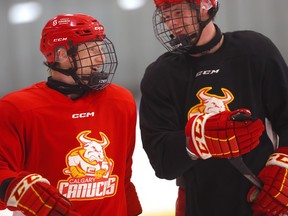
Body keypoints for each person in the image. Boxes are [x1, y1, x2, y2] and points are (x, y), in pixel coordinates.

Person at [139, 0, 288, 215]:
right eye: (166, 17)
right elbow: (162, 163)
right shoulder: (160, 75)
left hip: (263, 199)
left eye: (179, 12)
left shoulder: (255, 50)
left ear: (205, 6)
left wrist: (284, 165)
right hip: (201, 205)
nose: (172, 23)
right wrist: (198, 141)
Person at [0, 13, 142, 216]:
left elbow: (123, 174)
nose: (100, 58)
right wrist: (16, 188)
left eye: (100, 48)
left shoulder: (120, 101)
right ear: (62, 55)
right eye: (92, 50)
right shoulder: (17, 109)